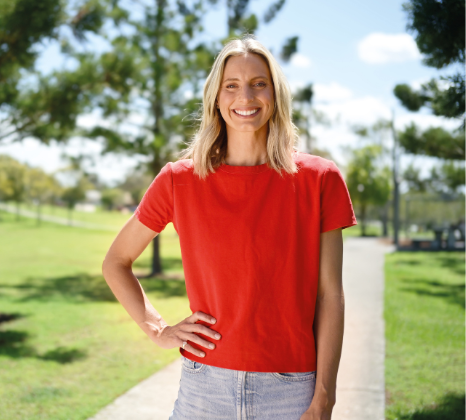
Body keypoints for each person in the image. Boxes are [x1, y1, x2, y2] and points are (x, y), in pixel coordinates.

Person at [100, 34, 357, 420]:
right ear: (216, 99)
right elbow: (116, 261)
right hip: (204, 388)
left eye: (259, 84)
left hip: (291, 391)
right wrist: (158, 329)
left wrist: (324, 399)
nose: (246, 98)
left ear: (276, 94)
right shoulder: (178, 180)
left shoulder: (319, 179)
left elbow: (330, 297)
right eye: (232, 86)